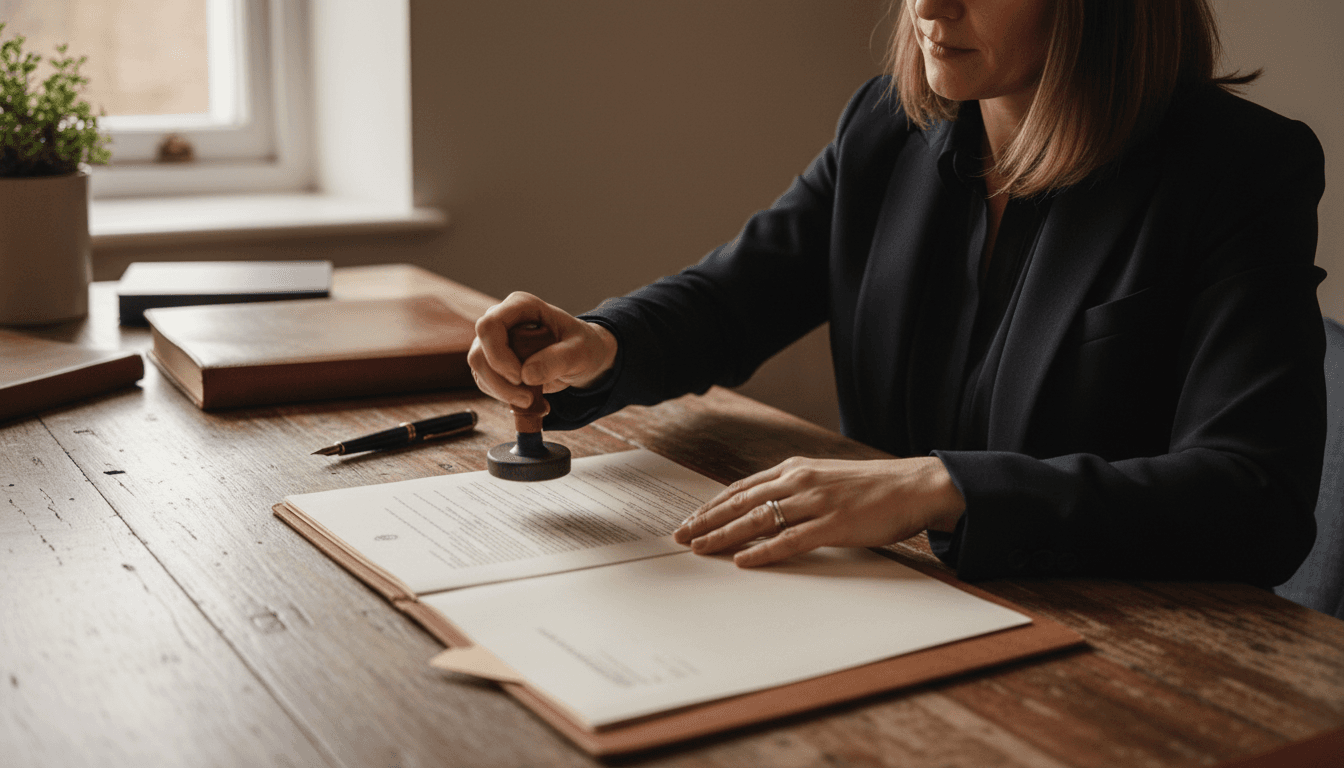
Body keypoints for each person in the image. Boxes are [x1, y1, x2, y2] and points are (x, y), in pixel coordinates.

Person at [468, 0, 1326, 586]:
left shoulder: (1239, 170)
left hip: (1108, 648)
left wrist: (943, 487)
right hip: (876, 603)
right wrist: (600, 342)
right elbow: (731, 300)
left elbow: (1255, 500)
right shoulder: (886, 126)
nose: (928, 3)